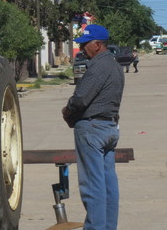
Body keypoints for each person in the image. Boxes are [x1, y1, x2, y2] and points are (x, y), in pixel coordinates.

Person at [61, 25, 125, 230]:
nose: (82, 49)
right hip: (109, 127)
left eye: (85, 45)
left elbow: (80, 99)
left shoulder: (98, 66)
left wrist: (67, 111)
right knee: (107, 184)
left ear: (97, 45)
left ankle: (95, 227)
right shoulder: (115, 66)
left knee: (92, 185)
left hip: (92, 128)